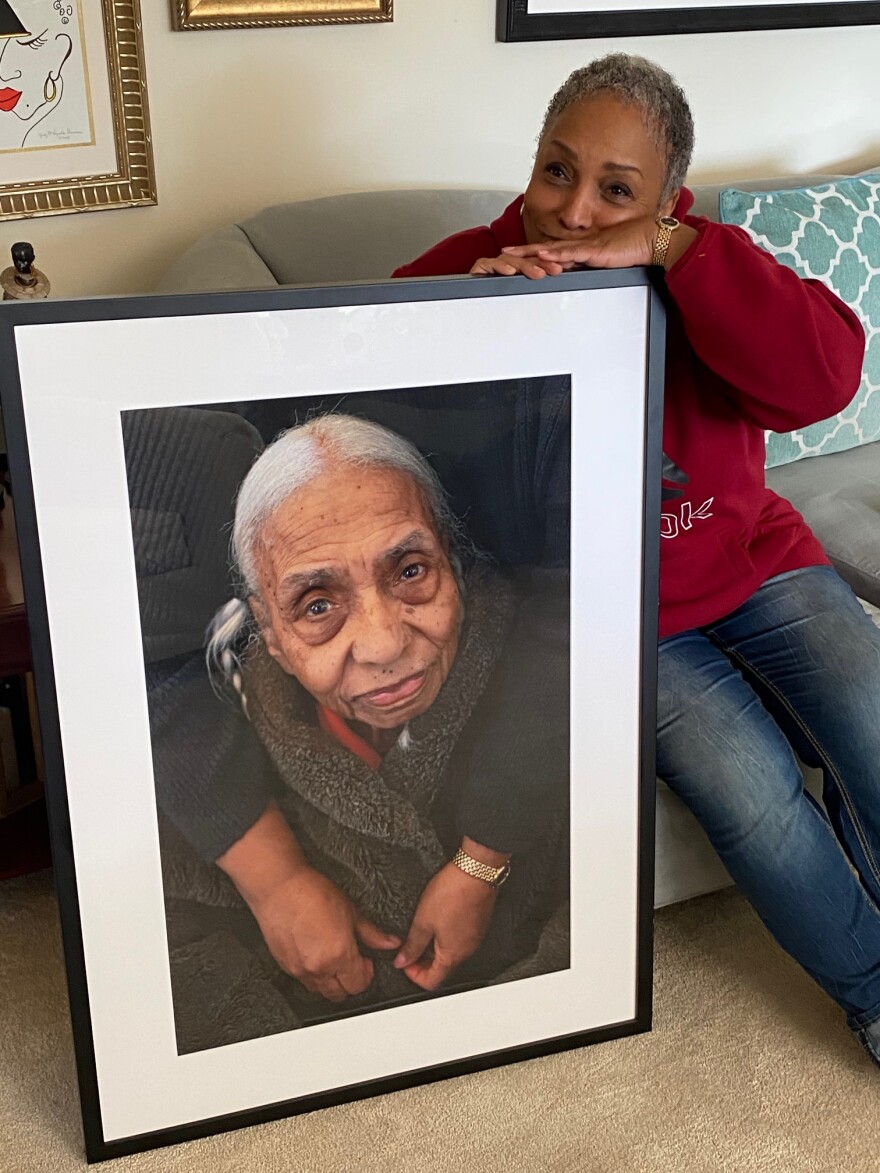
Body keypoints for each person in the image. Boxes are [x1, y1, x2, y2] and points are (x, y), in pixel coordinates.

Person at [393, 51, 880, 1068]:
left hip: (760, 566)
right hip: (618, 617)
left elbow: (825, 378)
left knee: (869, 716)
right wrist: (469, 326)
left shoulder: (708, 258)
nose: (572, 212)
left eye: (618, 190)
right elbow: (367, 413)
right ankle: (873, 996)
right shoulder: (472, 268)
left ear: (668, 200)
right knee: (748, 795)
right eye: (555, 171)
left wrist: (673, 254)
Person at [157, 413, 568, 1051]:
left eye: (409, 571)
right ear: (269, 634)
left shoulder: (553, 684)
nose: (383, 644)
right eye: (317, 606)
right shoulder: (213, 740)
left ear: (453, 563)